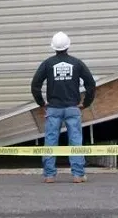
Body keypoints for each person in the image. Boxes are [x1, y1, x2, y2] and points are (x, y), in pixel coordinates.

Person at [30, 31, 96, 184]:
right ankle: (78, 175)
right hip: (73, 108)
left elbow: (35, 85)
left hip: (53, 109)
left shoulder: (47, 64)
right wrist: (86, 103)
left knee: (51, 141)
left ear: (53, 47)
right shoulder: (77, 63)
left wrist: (41, 103)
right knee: (75, 141)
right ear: (68, 46)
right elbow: (90, 84)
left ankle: (49, 175)